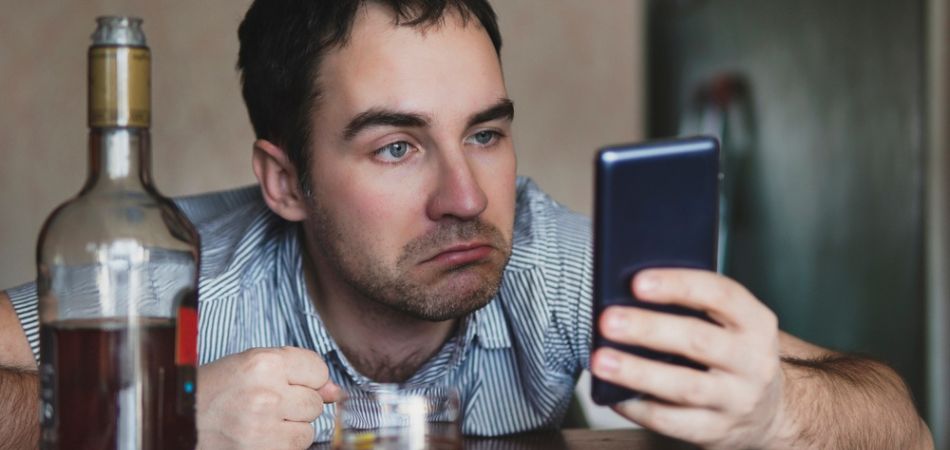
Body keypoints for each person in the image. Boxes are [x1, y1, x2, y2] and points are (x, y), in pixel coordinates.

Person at [0, 0, 933, 448]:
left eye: (484, 133)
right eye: (397, 147)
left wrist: (776, 412)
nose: (466, 197)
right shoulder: (170, 263)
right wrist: (171, 414)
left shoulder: (548, 262)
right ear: (284, 182)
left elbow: (899, 422)